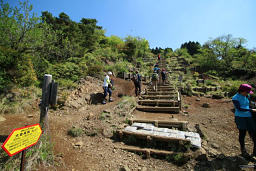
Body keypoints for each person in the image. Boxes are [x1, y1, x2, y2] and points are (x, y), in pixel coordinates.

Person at [232, 84, 256, 158]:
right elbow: (239, 108)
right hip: (240, 117)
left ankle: (254, 153)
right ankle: (243, 150)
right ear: (242, 91)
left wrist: (253, 106)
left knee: (253, 133)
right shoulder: (235, 98)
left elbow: (249, 104)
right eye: (247, 92)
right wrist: (251, 110)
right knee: (242, 133)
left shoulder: (247, 96)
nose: (248, 93)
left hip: (249, 117)